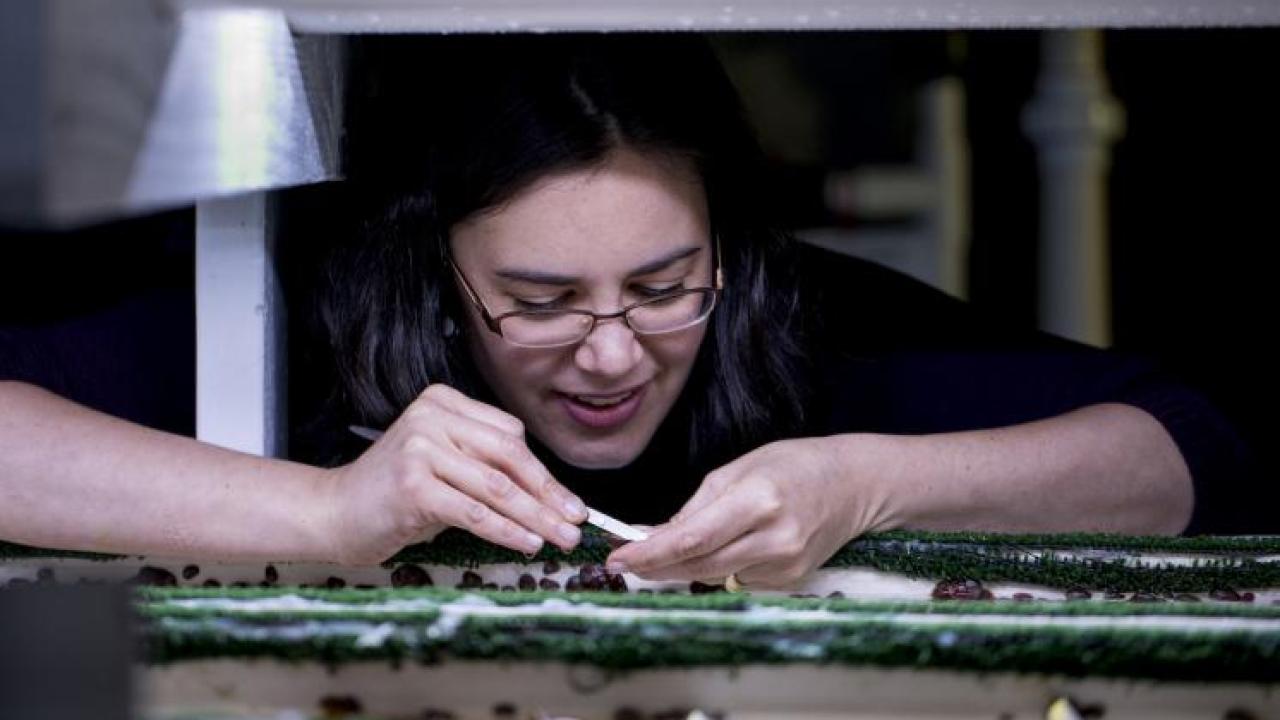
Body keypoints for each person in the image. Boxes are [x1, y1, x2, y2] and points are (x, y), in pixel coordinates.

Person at [0, 35, 1252, 588]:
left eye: (660, 288)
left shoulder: (782, 320)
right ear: (436, 269)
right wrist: (329, 508)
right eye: (538, 301)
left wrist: (863, 483)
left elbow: (1195, 442)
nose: (611, 353)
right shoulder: (301, 311)